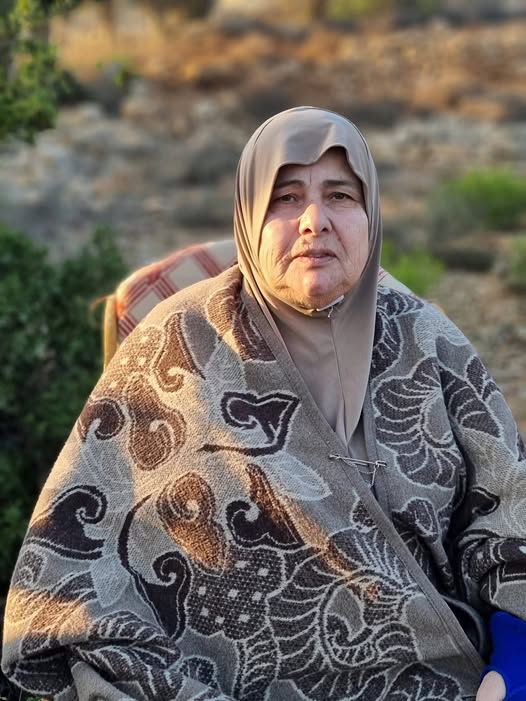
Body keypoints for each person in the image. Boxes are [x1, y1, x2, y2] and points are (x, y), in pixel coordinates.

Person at [2, 107, 526, 701]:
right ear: (248, 219)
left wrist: (513, 670)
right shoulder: (175, 344)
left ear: (371, 214)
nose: (314, 220)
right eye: (286, 198)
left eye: (340, 196)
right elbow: (69, 588)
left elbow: (509, 513)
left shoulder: (425, 339)